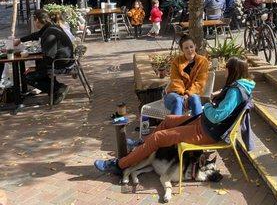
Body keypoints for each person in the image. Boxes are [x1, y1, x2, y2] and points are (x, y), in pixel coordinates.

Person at [94, 56, 255, 174]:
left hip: (208, 132)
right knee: (169, 120)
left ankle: (119, 165)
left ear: (232, 71)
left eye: (227, 67)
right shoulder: (239, 86)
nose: (224, 69)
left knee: (159, 137)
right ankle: (141, 148)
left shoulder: (236, 91)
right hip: (205, 124)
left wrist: (207, 107)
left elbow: (217, 115)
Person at [14, 10, 73, 104]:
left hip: (61, 63)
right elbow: (37, 35)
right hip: (65, 59)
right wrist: (20, 40)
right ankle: (57, 89)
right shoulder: (51, 27)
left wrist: (35, 68)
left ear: (37, 20)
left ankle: (57, 89)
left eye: (33, 20)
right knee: (38, 68)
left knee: (26, 76)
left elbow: (49, 57)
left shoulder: (49, 33)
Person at [163, 35, 207, 116]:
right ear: (182, 49)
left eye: (191, 47)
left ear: (195, 46)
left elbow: (200, 83)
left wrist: (187, 94)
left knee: (195, 98)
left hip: (191, 94)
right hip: (174, 94)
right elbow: (176, 81)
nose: (190, 50)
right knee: (178, 100)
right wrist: (182, 95)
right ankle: (176, 127)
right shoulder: (177, 61)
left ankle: (198, 125)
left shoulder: (202, 61)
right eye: (186, 48)